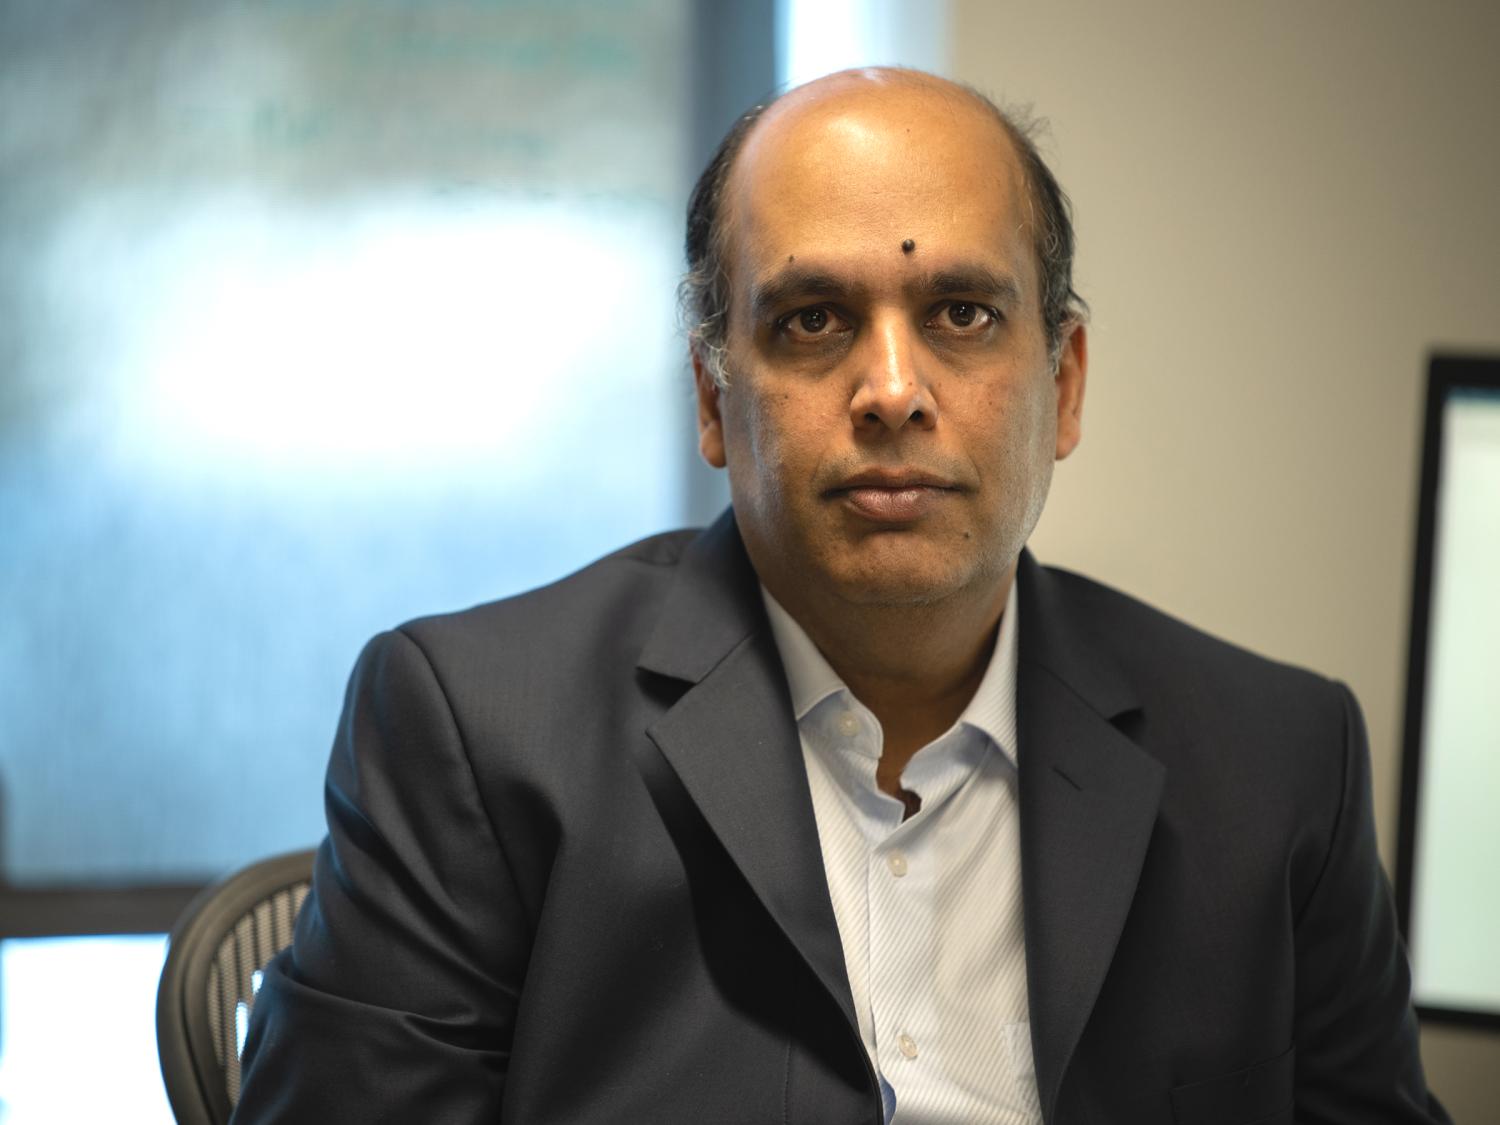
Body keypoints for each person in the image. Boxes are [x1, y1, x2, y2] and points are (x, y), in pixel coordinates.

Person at [234, 68, 1449, 1124]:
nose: (891, 390)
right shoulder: (475, 731)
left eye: (962, 315)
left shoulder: (1278, 759)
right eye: (813, 320)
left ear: (1064, 385)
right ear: (714, 399)